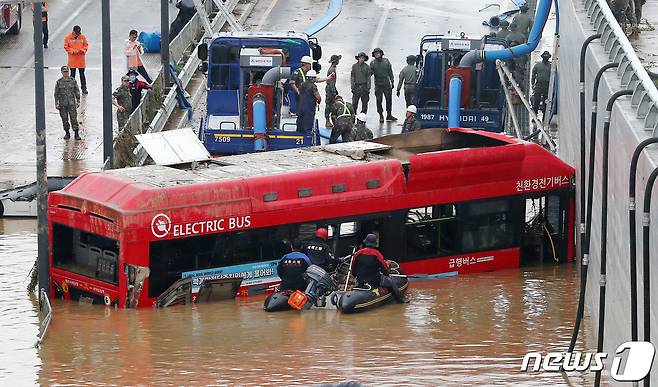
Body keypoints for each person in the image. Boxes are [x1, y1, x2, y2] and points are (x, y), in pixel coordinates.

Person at [350, 234, 405, 302]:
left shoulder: (358, 253)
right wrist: (387, 274)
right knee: (391, 282)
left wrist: (356, 275)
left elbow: (353, 267)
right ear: (374, 244)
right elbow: (384, 269)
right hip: (374, 280)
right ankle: (400, 299)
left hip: (361, 279)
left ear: (366, 243)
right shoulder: (377, 254)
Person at [370, 48, 397, 123]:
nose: (377, 54)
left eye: (378, 53)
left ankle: (389, 114)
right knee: (379, 100)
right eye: (375, 54)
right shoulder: (372, 63)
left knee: (389, 100)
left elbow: (390, 72)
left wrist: (392, 81)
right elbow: (369, 74)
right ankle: (381, 115)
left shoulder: (386, 61)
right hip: (378, 85)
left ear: (381, 54)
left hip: (386, 84)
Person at [54, 66, 81, 140]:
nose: (66, 73)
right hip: (63, 104)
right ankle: (67, 133)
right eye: (64, 72)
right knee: (64, 119)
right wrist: (56, 103)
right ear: (62, 72)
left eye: (67, 72)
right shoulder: (59, 82)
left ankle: (76, 133)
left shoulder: (73, 81)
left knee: (74, 119)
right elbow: (56, 93)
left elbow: (77, 91)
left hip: (71, 104)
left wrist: (78, 101)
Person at [64, 25, 89, 94]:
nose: (78, 34)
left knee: (82, 74)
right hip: (73, 59)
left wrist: (82, 50)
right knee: (72, 75)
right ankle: (72, 88)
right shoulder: (68, 37)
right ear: (73, 32)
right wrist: (73, 51)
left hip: (80, 59)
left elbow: (86, 45)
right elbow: (66, 47)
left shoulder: (82, 37)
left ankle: (84, 88)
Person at [324, 54, 341, 128]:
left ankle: (329, 120)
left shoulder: (332, 69)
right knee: (329, 105)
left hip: (330, 88)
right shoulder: (332, 70)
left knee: (331, 105)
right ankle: (327, 121)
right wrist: (334, 92)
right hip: (330, 90)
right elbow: (331, 82)